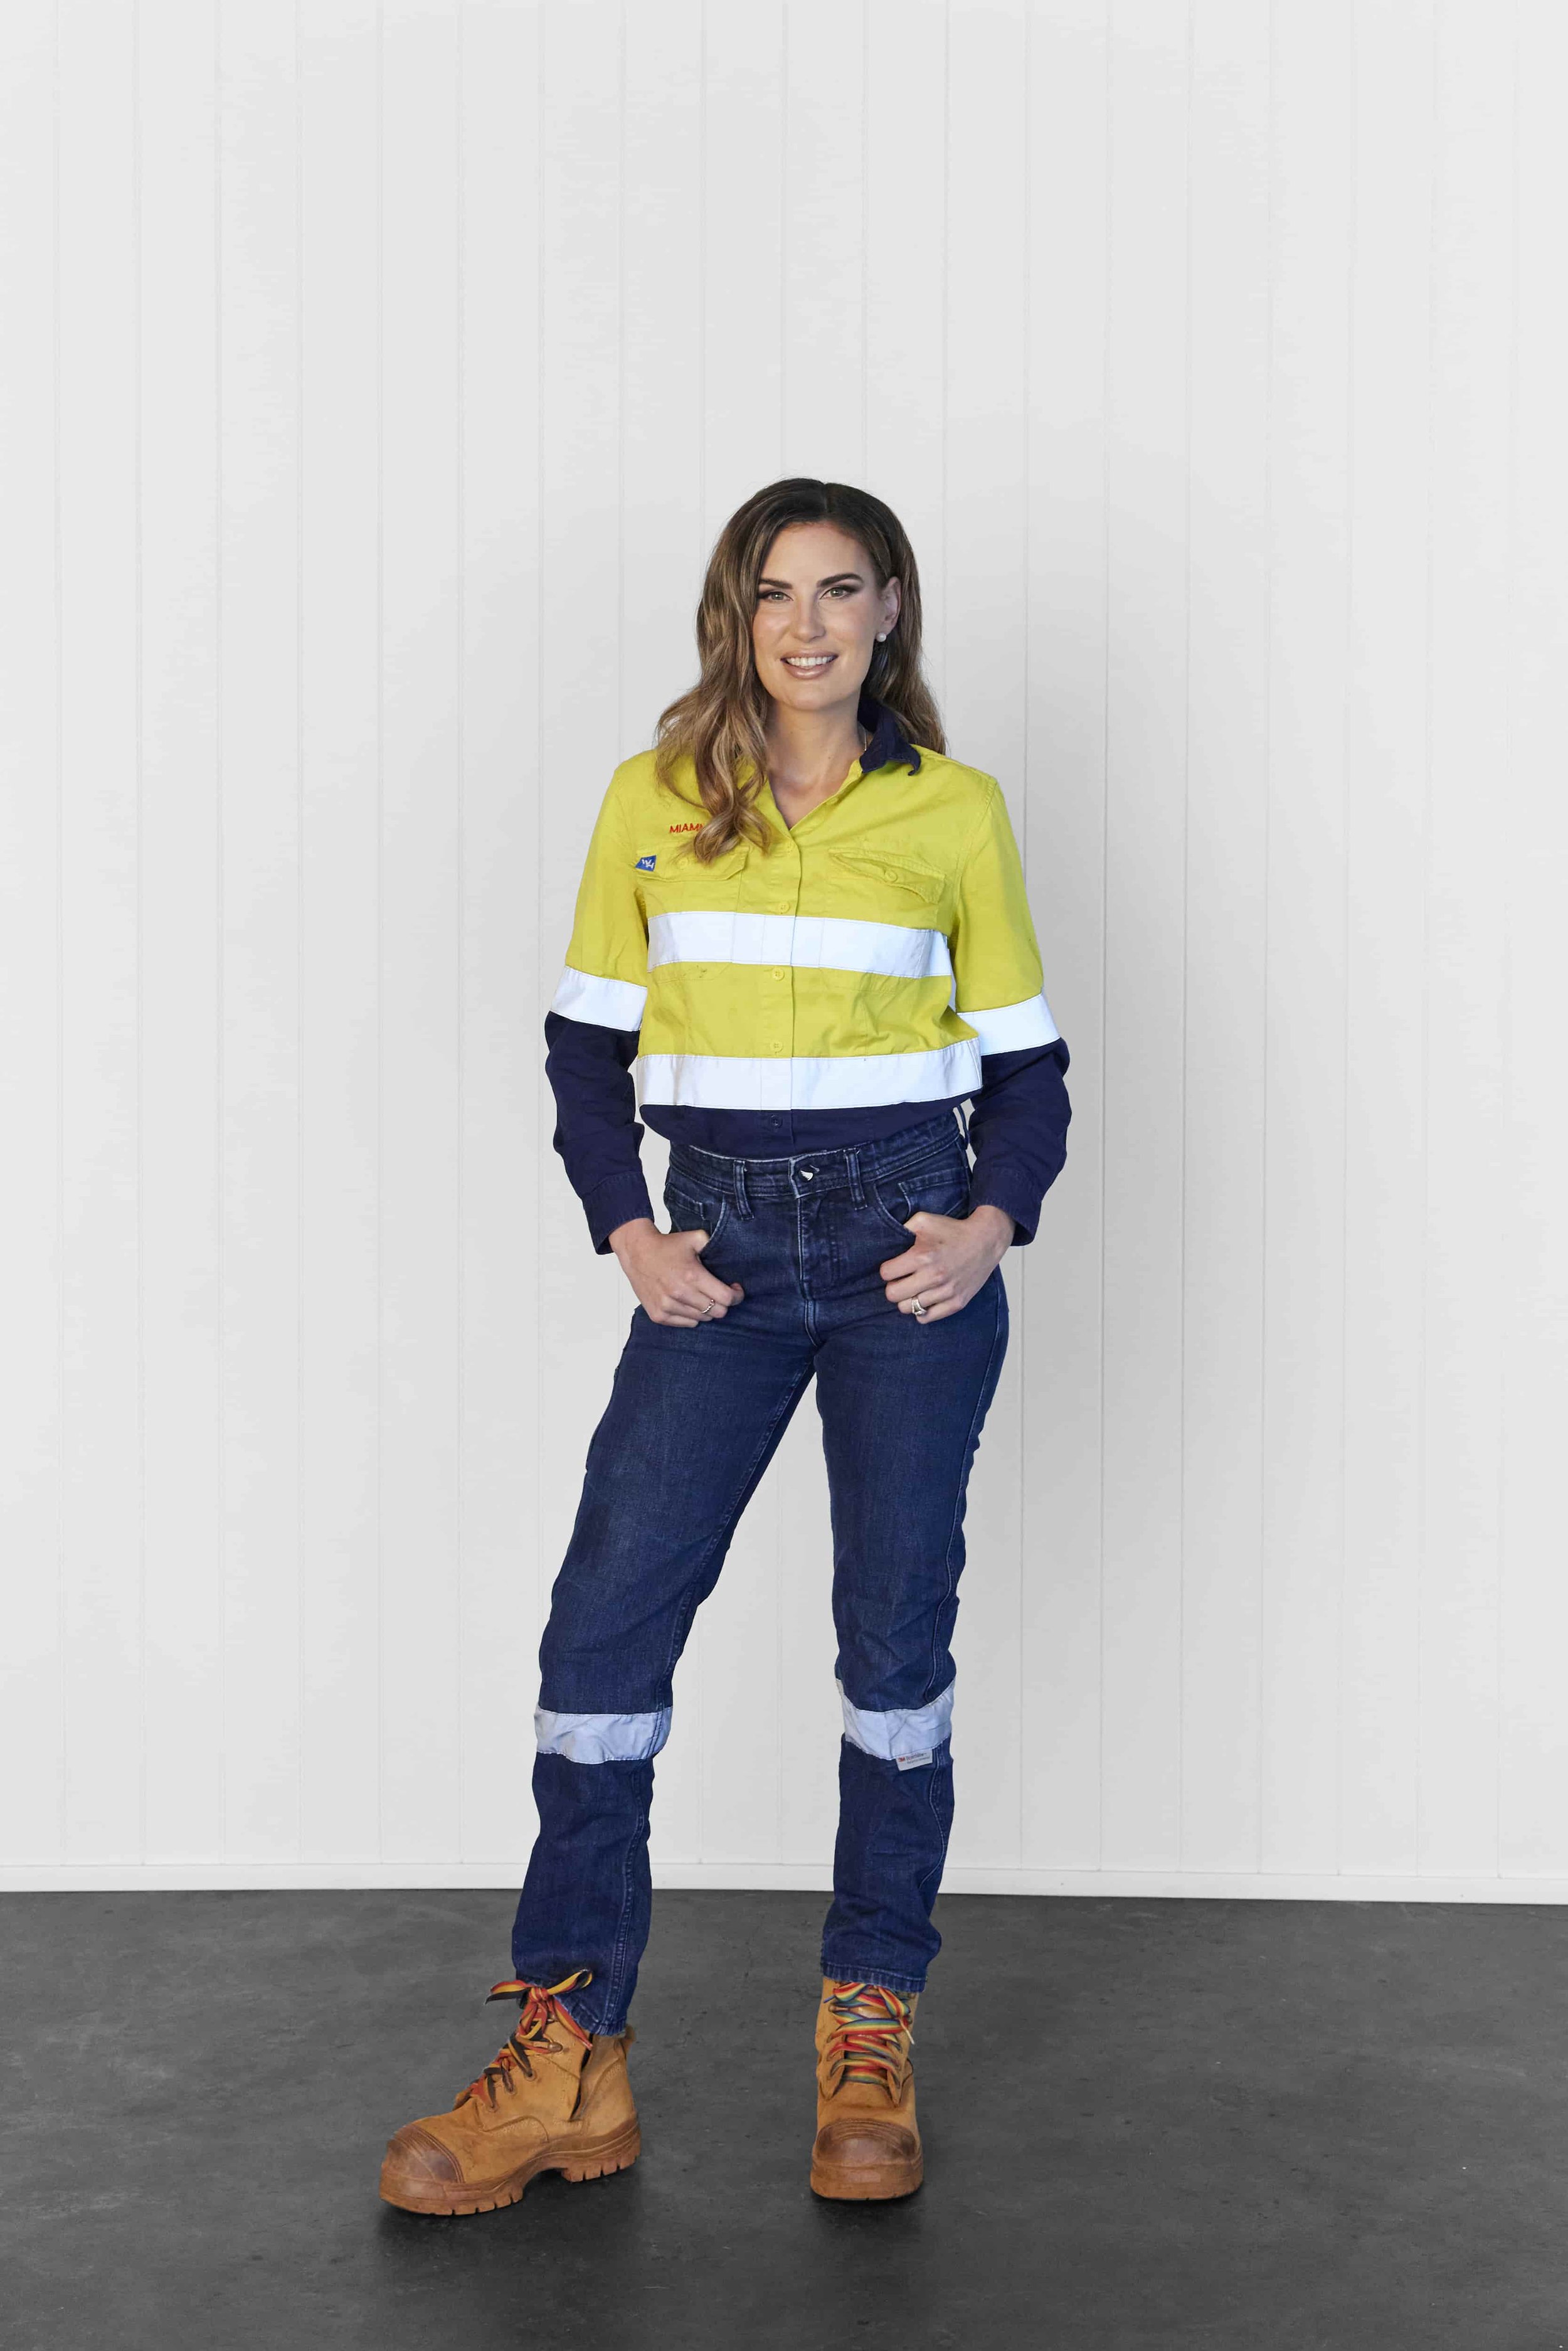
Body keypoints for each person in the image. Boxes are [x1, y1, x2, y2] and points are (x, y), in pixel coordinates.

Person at [379, 478, 1071, 2216]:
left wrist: (988, 1224)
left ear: (891, 610)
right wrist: (628, 1225)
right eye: (777, 593)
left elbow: (1028, 1071)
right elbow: (580, 1051)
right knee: (603, 1633)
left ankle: (868, 2024)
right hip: (723, 1258)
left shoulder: (956, 814)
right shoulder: (650, 802)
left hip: (907, 1257)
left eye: (844, 591)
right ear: (735, 614)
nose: (811, 624)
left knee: (891, 1645)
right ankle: (571, 2054)